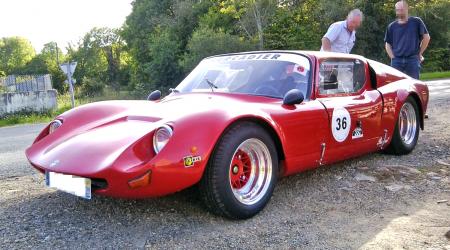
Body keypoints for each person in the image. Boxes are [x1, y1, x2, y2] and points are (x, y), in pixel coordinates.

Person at [384, 1, 431, 79]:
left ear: (407, 9)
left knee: (413, 85)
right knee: (396, 86)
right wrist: (392, 57)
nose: (399, 12)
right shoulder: (391, 26)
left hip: (412, 59)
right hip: (397, 61)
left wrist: (420, 53)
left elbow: (426, 37)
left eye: (401, 10)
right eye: (397, 10)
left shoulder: (416, 21)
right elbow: (387, 44)